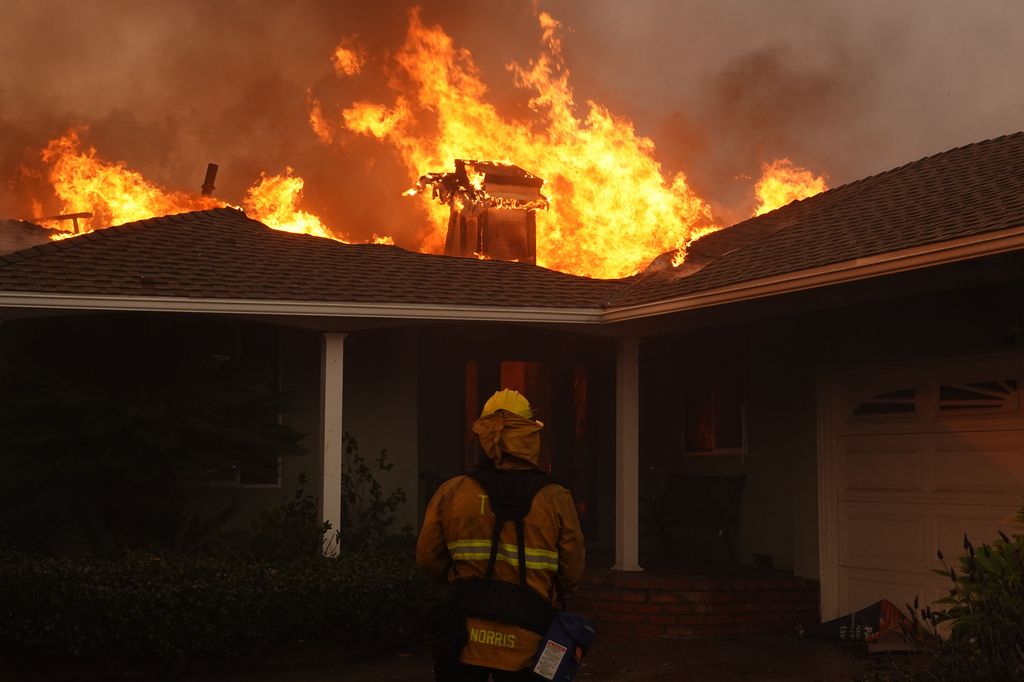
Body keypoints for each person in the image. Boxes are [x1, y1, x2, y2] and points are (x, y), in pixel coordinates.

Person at [417, 389, 586, 682]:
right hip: (528, 639)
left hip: (463, 635)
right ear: (529, 435)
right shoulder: (556, 497)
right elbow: (571, 572)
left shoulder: (453, 491)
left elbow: (428, 558)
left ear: (483, 434)